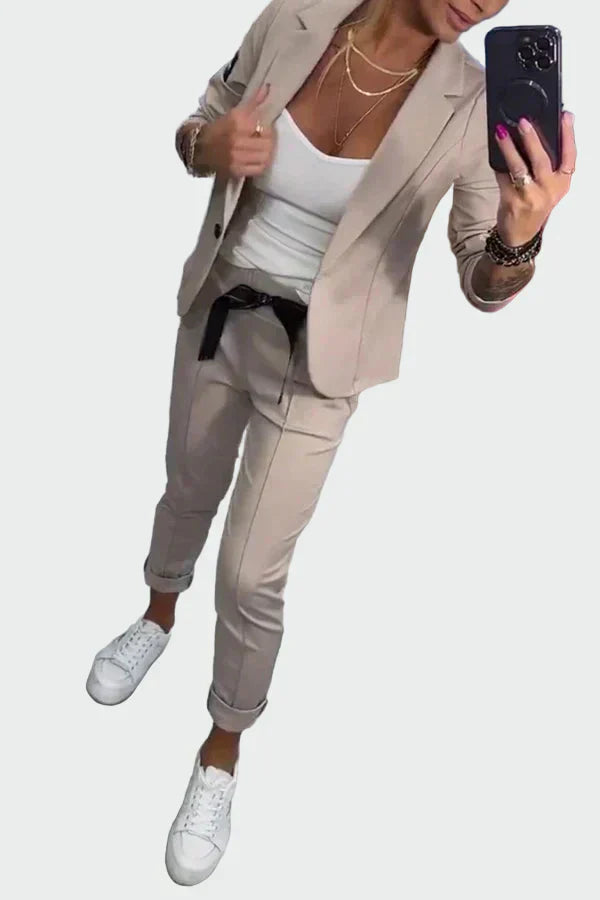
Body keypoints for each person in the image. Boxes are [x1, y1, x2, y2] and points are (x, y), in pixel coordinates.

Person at [86, 0, 576, 885]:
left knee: (251, 573)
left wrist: (519, 235)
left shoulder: (475, 106)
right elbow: (202, 121)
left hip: (321, 363)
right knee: (185, 489)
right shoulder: (298, 16)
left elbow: (480, 277)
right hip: (218, 309)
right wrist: (208, 147)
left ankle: (223, 746)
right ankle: (156, 615)